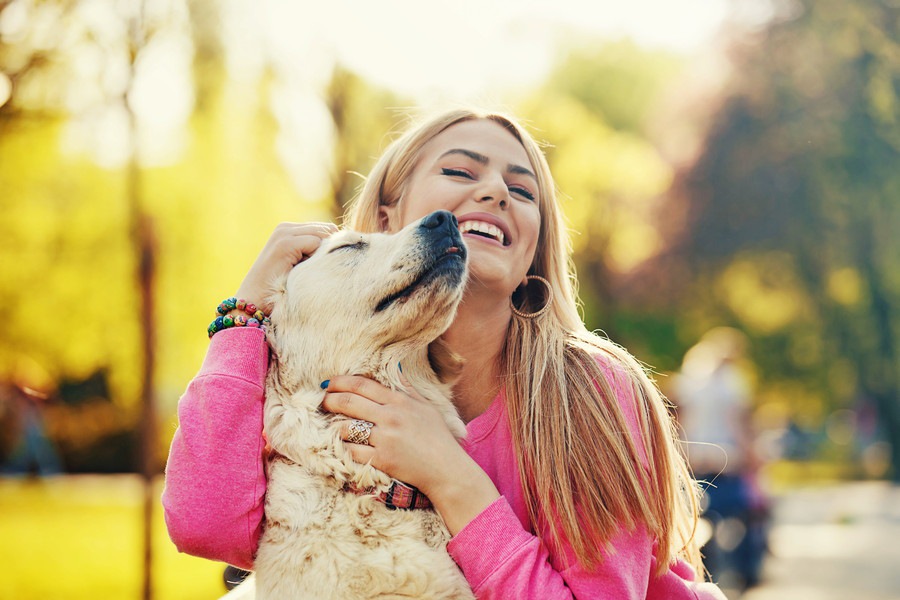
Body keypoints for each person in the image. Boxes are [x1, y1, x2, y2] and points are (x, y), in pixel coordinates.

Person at [162, 108, 726, 599]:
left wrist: (450, 476)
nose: (496, 192)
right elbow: (204, 527)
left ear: (533, 248)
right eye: (459, 171)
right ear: (388, 218)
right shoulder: (325, 399)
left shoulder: (590, 391)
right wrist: (247, 312)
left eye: (523, 191)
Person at [672, 327, 768, 590]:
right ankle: (745, 573)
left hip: (695, 460)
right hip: (728, 460)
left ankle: (705, 577)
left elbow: (678, 421)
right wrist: (753, 455)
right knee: (744, 516)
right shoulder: (733, 381)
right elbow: (737, 422)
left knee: (703, 522)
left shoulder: (688, 378)